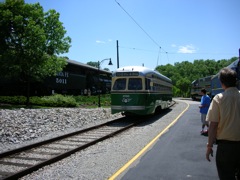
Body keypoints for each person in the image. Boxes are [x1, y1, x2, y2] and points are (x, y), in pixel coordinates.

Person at [206, 67, 240, 180]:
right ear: (236, 81)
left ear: (222, 82)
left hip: (226, 148)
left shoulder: (218, 99)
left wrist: (209, 146)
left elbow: (213, 125)